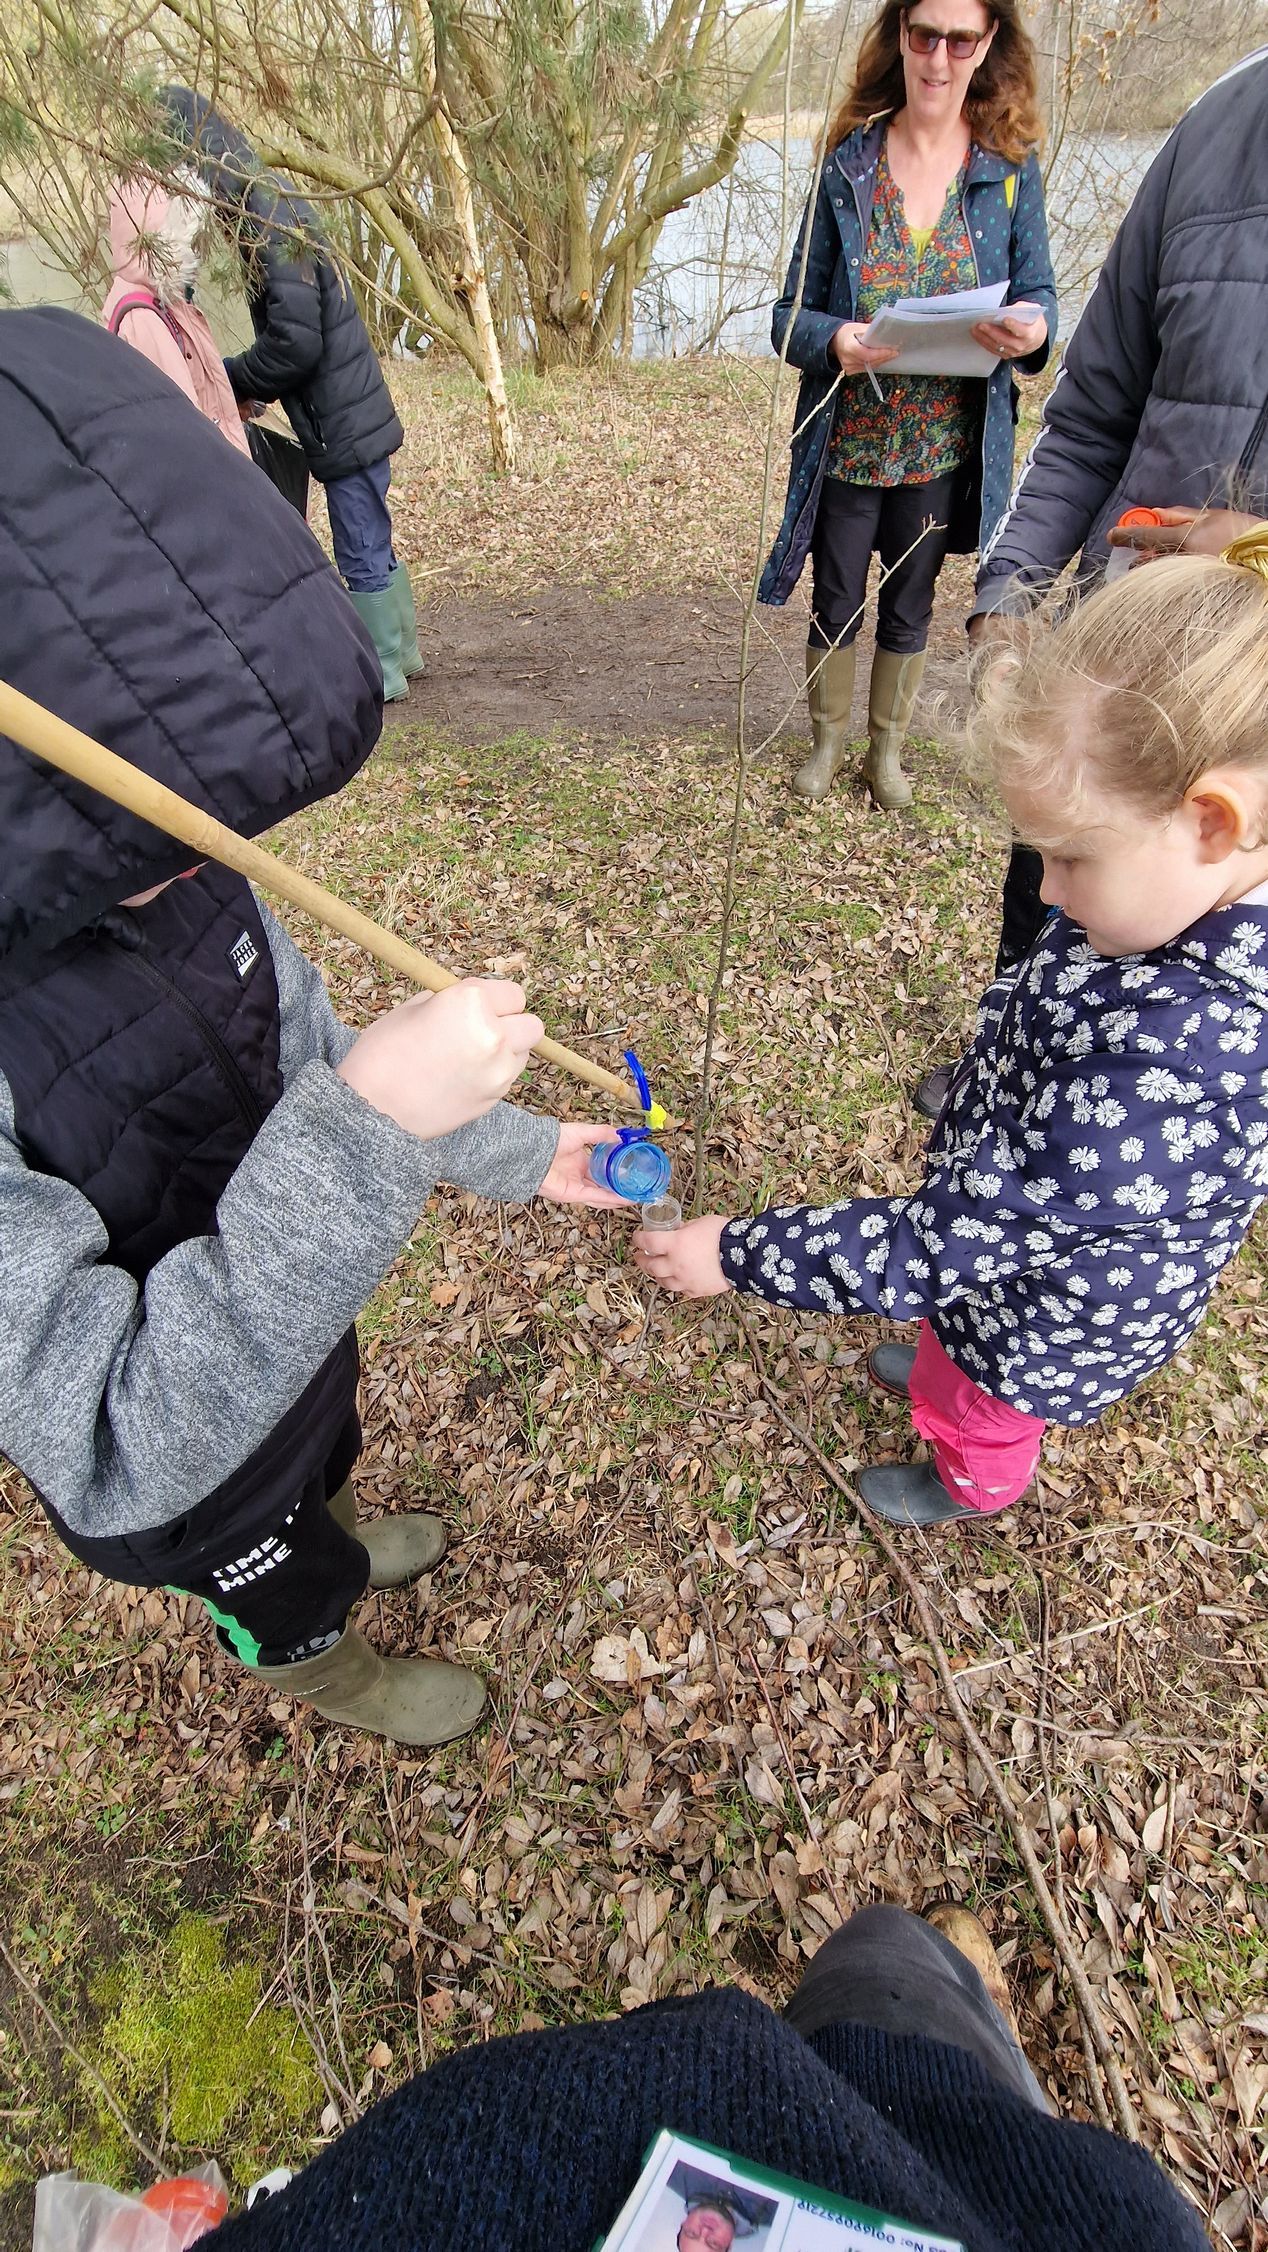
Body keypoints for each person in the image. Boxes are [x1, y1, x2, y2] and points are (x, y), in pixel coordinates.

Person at [0, 307, 621, 1746]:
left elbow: (309, 1057)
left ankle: (336, 1525)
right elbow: (111, 1441)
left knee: (320, 1467)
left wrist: (510, 1148)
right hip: (194, 1482)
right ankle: (321, 1663)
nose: (214, 852)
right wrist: (368, 1137)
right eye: (170, 822)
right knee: (281, 1578)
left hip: (293, 1346)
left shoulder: (185, 867)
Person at [634, 547, 1268, 1525]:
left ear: (1209, 821)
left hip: (1042, 1317)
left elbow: (932, 1246)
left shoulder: (1166, 1069)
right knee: (950, 1332)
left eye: (1069, 858)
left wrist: (737, 1251)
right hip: (999, 1253)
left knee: (982, 1407)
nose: (1046, 893)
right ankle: (943, 1356)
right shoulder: (1170, 905)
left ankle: (964, 1480)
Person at [906, 50, 1268, 1117]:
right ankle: (1008, 1081)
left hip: (1233, 723)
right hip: (1114, 679)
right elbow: (1090, 415)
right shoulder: (1214, 126)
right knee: (1058, 894)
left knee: (1172, 1039)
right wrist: (1009, 593)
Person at [189, 1902, 1204, 2250]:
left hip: (828, 2093)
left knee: (882, 1960)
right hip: (974, 2160)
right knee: (891, 1961)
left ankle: (948, 2011)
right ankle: (963, 2018)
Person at [760, 0, 1055, 811]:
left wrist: (1029, 330)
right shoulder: (848, 168)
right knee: (836, 596)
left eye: (960, 39)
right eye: (925, 34)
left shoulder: (1006, 173)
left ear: (986, 42)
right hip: (850, 442)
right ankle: (826, 741)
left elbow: (1041, 300)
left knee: (912, 600)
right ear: (901, 35)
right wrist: (839, 342)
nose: (939, 57)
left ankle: (884, 754)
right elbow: (788, 315)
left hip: (941, 448)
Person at [157, 84, 423, 704]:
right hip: (349, 411)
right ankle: (402, 649)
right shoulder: (272, 210)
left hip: (344, 420)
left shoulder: (269, 224)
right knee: (372, 535)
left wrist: (230, 379)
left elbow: (295, 345)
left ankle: (381, 671)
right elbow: (300, 338)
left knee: (359, 541)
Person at [101, 172, 252, 458]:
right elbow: (186, 432)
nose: (193, 252)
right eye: (186, 241)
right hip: (212, 483)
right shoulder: (143, 320)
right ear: (157, 242)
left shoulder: (166, 301)